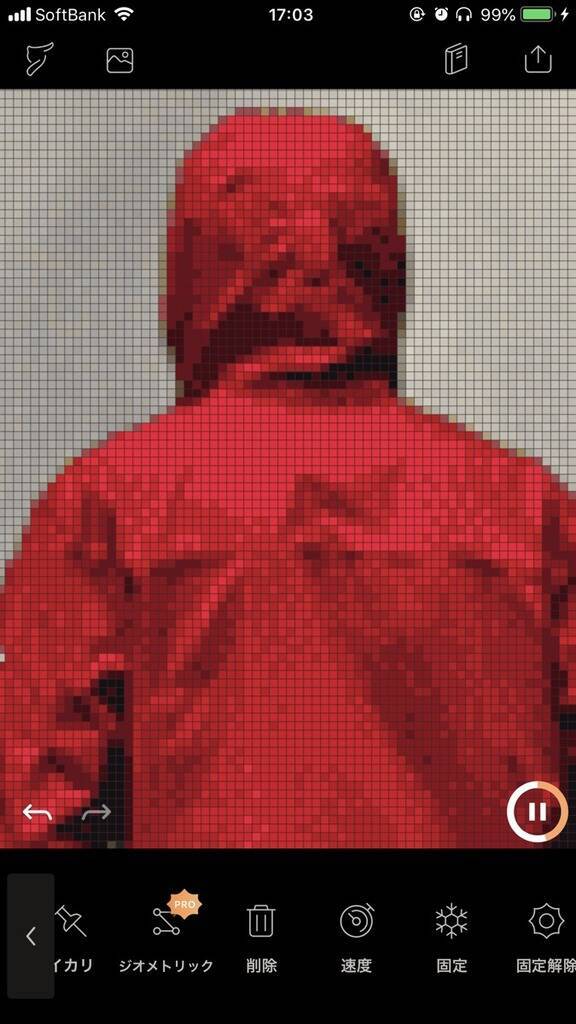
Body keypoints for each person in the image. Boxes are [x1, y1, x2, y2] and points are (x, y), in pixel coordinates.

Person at [1, 109, 574, 849]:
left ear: (195, 266)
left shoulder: (107, 504)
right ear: (383, 263)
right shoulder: (525, 509)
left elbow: (35, 809)